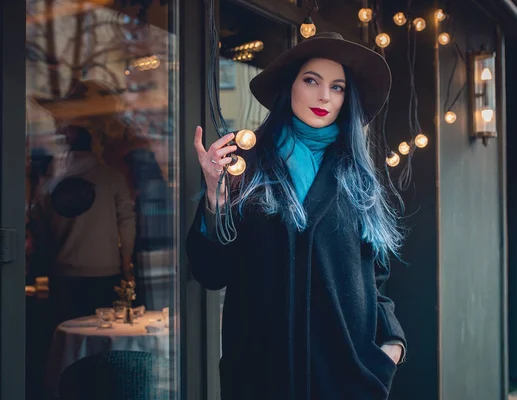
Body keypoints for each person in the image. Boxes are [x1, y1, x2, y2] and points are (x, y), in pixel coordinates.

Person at [187, 32, 407, 399]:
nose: (324, 96)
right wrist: (215, 196)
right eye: (311, 81)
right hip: (261, 378)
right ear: (289, 87)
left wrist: (391, 347)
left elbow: (375, 278)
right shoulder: (247, 166)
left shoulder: (359, 177)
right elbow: (211, 273)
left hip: (345, 381)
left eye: (337, 87)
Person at [30, 125, 136, 324]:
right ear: (92, 146)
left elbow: (39, 227)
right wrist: (126, 262)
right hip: (106, 268)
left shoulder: (50, 182)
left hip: (63, 272)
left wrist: (46, 260)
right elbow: (127, 222)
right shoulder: (112, 177)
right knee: (103, 336)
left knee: (66, 338)